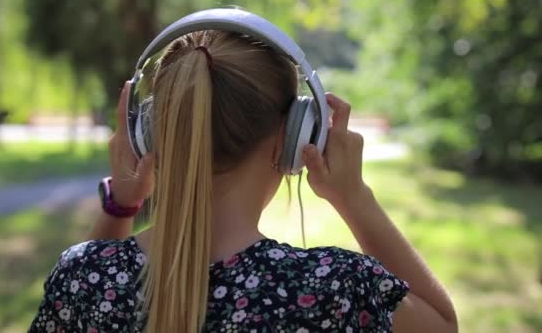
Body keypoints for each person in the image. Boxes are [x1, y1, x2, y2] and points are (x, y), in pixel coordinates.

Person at [29, 30, 457, 332]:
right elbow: (442, 326)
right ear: (291, 140)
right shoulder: (334, 288)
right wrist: (354, 197)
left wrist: (121, 207)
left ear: (150, 138)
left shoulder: (83, 276)